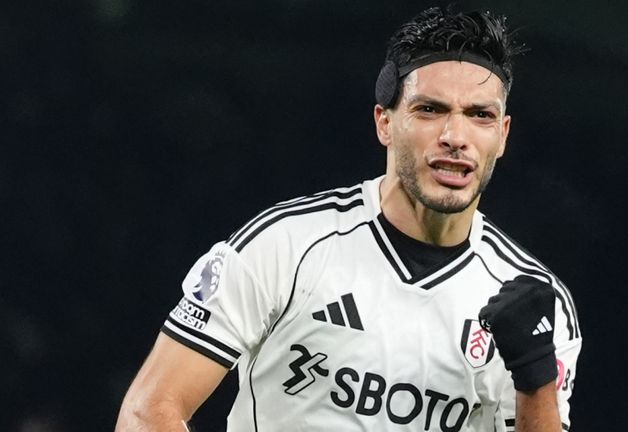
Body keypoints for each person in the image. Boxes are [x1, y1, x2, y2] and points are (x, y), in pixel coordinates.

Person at [116, 7, 581, 432]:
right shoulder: (288, 246)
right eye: (430, 110)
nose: (454, 136)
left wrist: (535, 377)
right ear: (385, 122)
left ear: (501, 136)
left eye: (479, 116)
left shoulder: (534, 303)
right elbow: (149, 409)